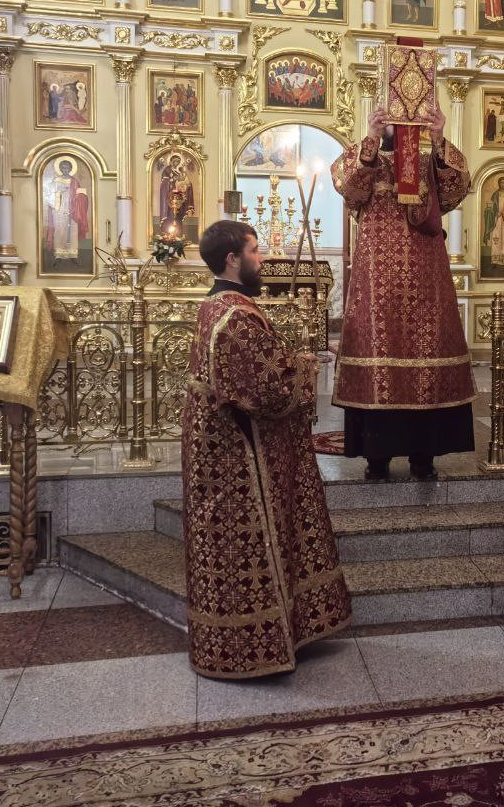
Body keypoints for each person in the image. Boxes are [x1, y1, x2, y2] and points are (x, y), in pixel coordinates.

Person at [181, 220, 351, 678]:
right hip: (238, 454)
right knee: (247, 547)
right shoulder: (237, 316)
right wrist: (306, 366)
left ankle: (233, 644)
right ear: (232, 259)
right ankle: (256, 647)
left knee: (228, 550)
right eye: (255, 250)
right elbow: (268, 391)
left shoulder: (213, 305)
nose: (263, 258)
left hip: (217, 447)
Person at [332, 105, 475, 481]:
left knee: (427, 352)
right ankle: (376, 456)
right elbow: (349, 189)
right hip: (377, 283)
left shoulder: (428, 162)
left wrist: (440, 138)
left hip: (427, 280)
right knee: (379, 352)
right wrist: (371, 138)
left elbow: (456, 191)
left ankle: (423, 456)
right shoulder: (364, 156)